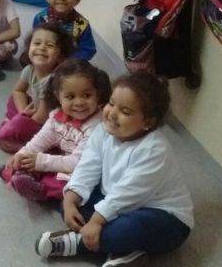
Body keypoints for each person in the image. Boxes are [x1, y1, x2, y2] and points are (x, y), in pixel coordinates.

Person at [35, 73, 193, 266]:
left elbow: (128, 192)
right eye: (111, 103)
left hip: (164, 219)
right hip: (116, 202)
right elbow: (87, 168)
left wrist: (97, 221)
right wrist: (70, 201)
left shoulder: (154, 149)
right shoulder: (102, 131)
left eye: (125, 111)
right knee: (71, 203)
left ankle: (78, 242)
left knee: (128, 228)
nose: (112, 113)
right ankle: (126, 254)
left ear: (148, 122)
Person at [0, 59, 111, 202]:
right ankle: (20, 174)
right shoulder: (56, 115)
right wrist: (22, 154)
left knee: (69, 184)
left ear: (98, 94)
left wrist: (41, 161)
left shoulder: (96, 127)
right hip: (63, 156)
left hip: (81, 167)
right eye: (70, 97)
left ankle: (41, 190)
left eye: (87, 95)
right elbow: (41, 139)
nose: (79, 102)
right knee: (29, 159)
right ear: (58, 96)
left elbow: (78, 162)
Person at [0, 24, 73, 153]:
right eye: (37, 43)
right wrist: (23, 111)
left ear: (61, 56)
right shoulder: (29, 69)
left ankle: (23, 140)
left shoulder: (52, 81)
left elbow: (41, 118)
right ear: (29, 48)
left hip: (51, 124)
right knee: (13, 100)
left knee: (18, 127)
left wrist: (21, 119)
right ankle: (14, 130)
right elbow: (18, 91)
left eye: (50, 45)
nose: (42, 48)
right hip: (38, 111)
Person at [29, 0, 96, 62]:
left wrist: (69, 59)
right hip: (45, 58)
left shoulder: (82, 24)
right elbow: (35, 41)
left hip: (69, 62)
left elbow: (88, 50)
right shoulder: (40, 18)